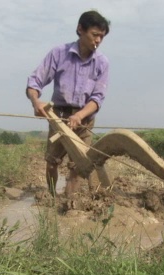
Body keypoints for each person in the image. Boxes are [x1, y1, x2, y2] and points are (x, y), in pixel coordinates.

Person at [25, 10, 110, 196]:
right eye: (94, 35)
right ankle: (52, 197)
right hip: (58, 117)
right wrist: (36, 102)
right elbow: (34, 82)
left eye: (101, 37)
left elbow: (97, 98)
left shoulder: (102, 63)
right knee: (51, 162)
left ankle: (70, 202)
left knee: (78, 165)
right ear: (80, 29)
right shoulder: (59, 53)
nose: (97, 40)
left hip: (84, 120)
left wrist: (79, 115)